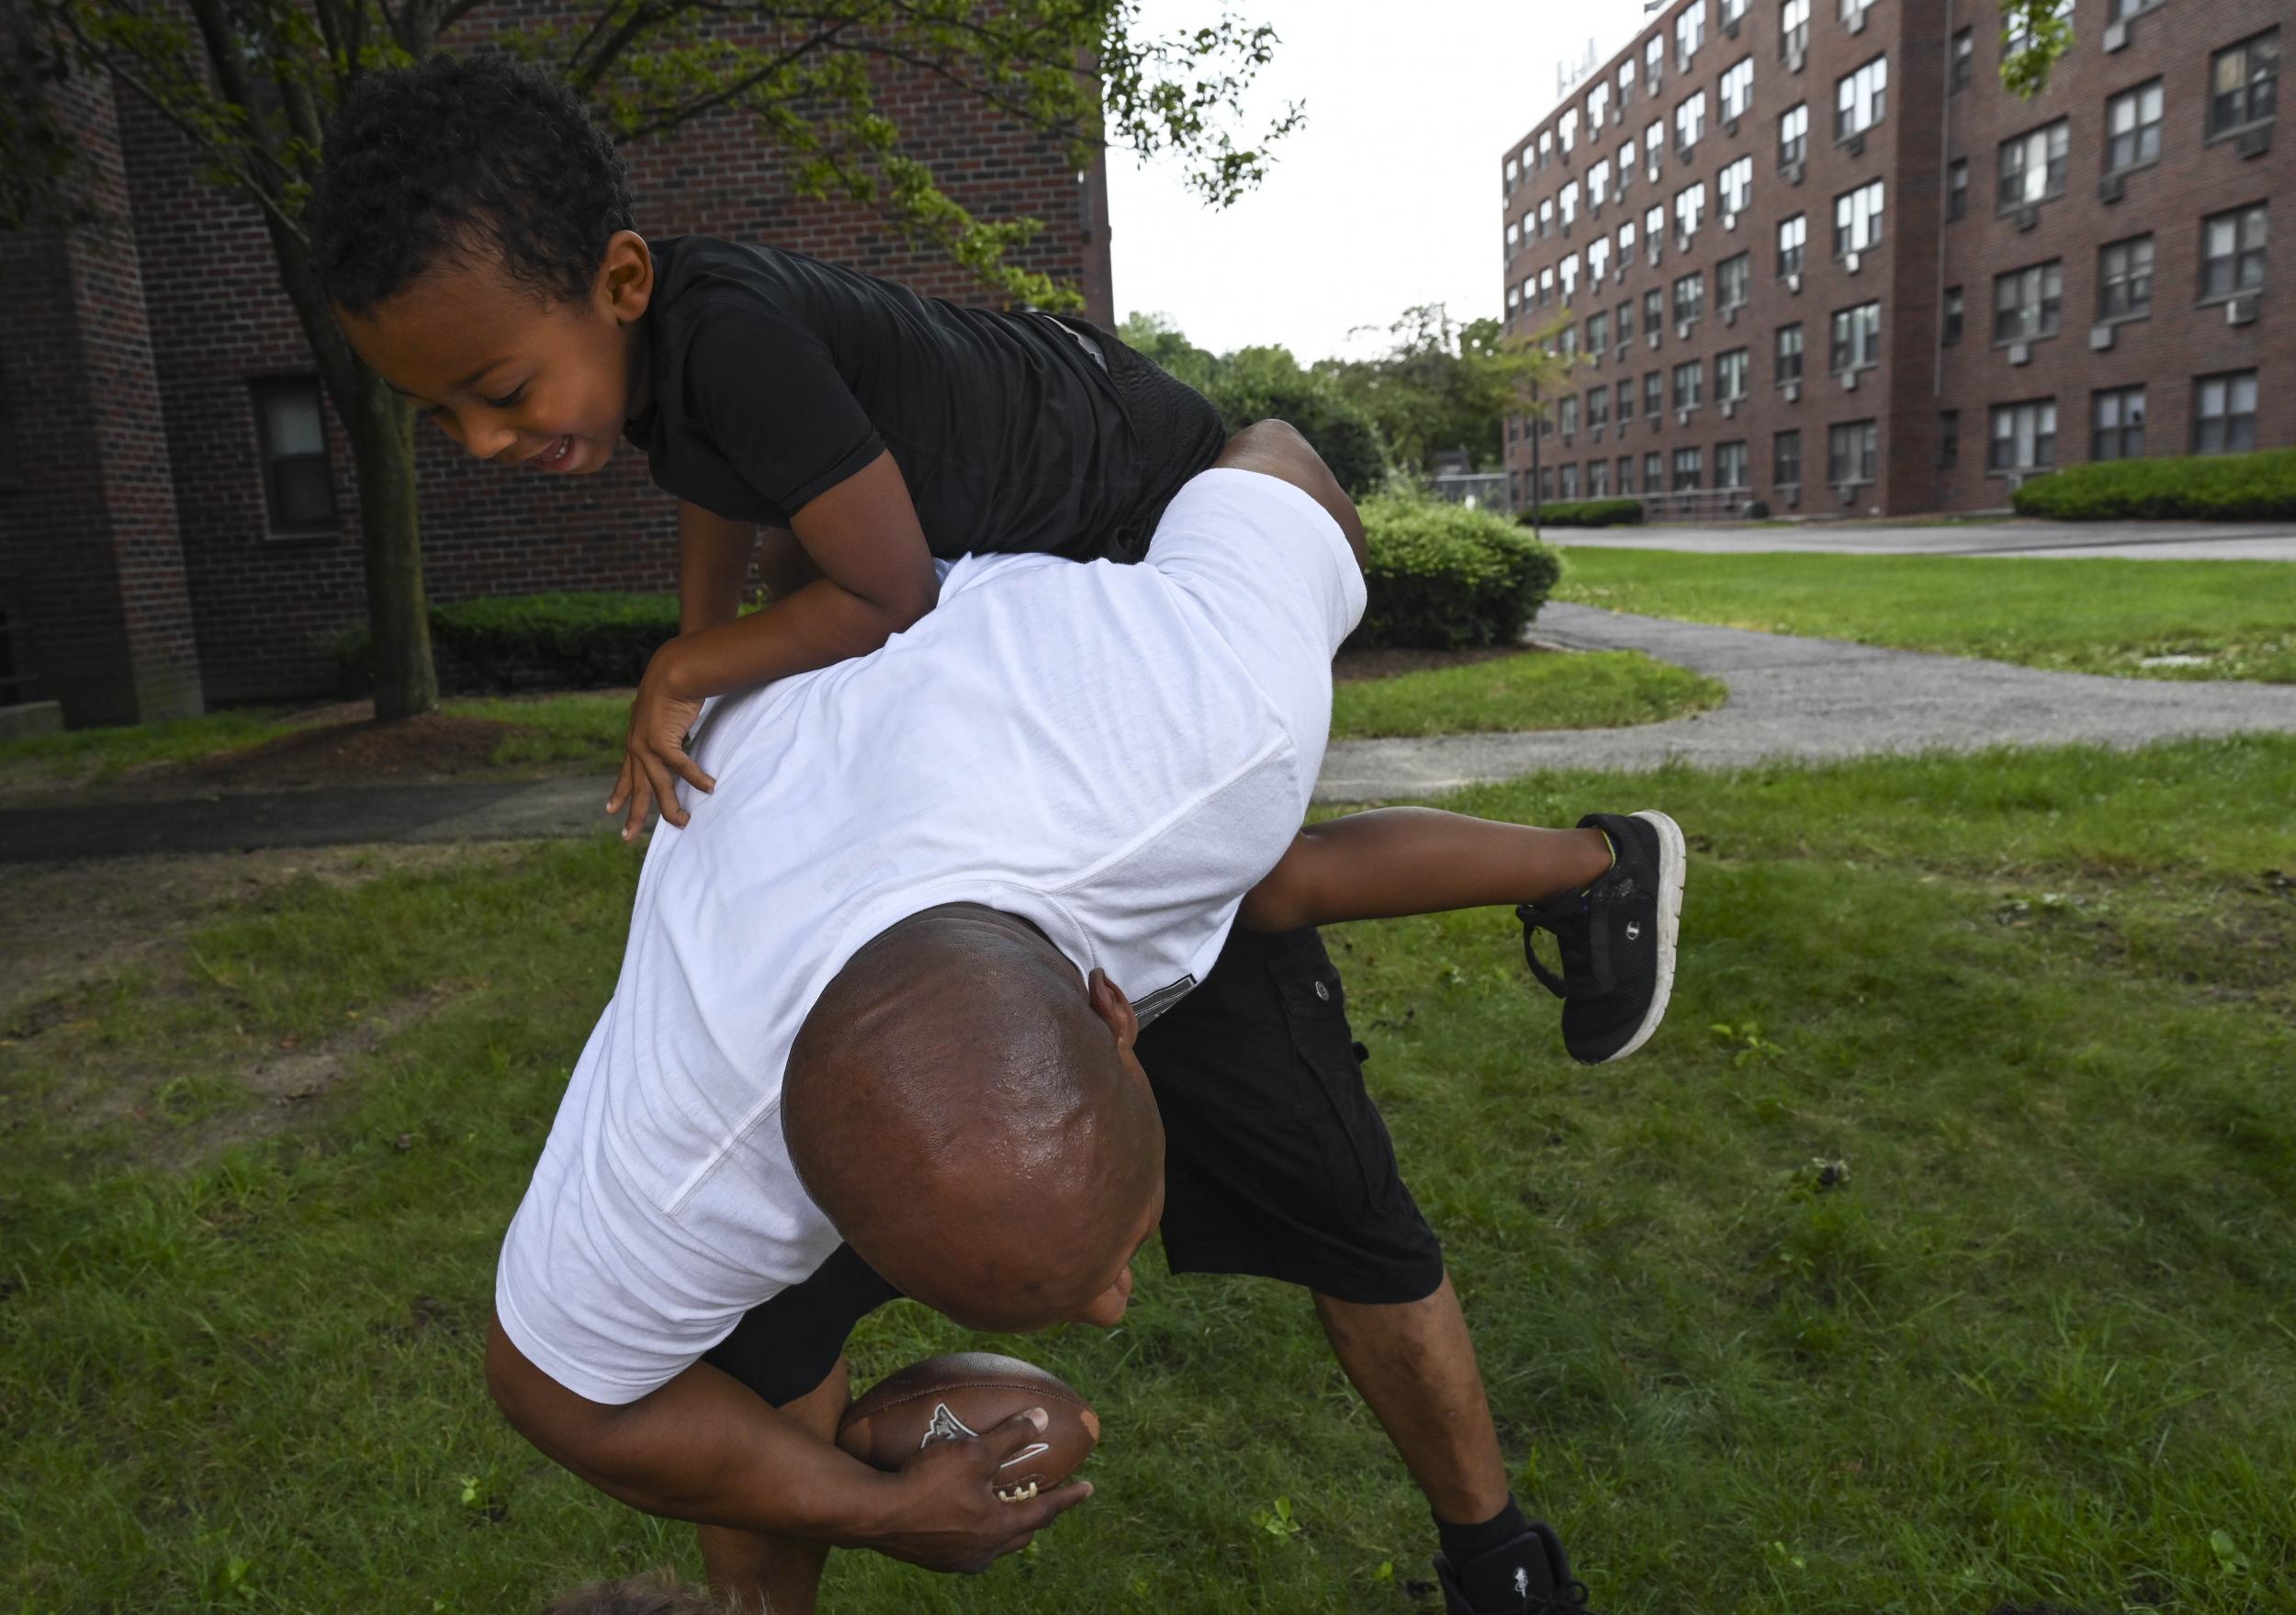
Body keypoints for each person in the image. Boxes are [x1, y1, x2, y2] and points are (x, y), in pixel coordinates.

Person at [482, 422, 1686, 1615]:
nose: (1117, 1306)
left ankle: (1502, 1567)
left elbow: (1278, 458)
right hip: (887, 824)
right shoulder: (690, 1160)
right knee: (764, 1374)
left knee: (1340, 1200)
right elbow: (556, 1392)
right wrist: (879, 1508)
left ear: (1123, 1014)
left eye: (1112, 1260)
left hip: (1072, 710)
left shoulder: (1216, 721)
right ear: (822, 1210)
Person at [304, 51, 1665, 1076]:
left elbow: (892, 590)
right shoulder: (664, 356)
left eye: (498, 388)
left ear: (617, 282)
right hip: (1070, 500)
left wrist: (685, 663)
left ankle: (1588, 864)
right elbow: (718, 495)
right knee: (1245, 879)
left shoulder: (727, 341)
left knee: (1254, 867)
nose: (480, 441)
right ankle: (1581, 864)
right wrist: (708, 670)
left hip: (1145, 494)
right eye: (443, 416)